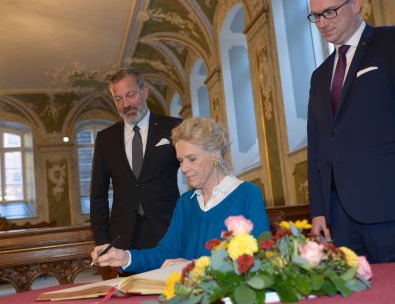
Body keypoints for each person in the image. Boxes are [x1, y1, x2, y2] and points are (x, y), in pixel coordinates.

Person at [91, 117, 270, 273]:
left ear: (215, 155)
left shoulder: (247, 194)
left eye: (192, 159)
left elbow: (260, 259)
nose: (184, 168)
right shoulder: (186, 203)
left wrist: (196, 266)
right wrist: (124, 257)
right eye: (180, 161)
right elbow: (166, 253)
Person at [307, 0, 395, 262]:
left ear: (356, 3)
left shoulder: (392, 44)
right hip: (339, 218)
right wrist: (319, 209)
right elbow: (318, 145)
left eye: (330, 12)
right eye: (316, 16)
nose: (322, 22)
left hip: (390, 206)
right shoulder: (320, 76)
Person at [90, 69, 181, 251]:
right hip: (124, 237)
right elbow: (98, 195)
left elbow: (197, 168)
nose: (125, 104)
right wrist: (102, 241)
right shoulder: (105, 139)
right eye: (118, 99)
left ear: (144, 92)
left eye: (130, 95)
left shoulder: (174, 127)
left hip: (168, 229)